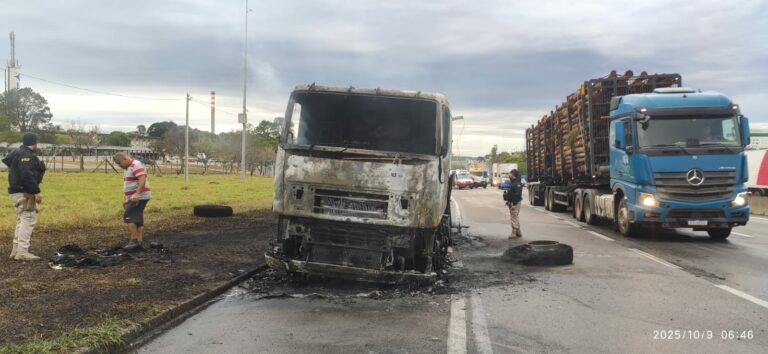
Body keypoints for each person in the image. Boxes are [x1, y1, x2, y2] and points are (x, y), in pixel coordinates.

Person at [3, 133, 46, 260]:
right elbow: (27, 175)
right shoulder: (26, 155)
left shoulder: (17, 153)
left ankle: (16, 250)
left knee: (22, 218)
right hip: (23, 191)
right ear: (34, 143)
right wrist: (36, 191)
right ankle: (22, 251)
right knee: (29, 217)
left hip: (16, 190)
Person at [113, 152, 152, 251]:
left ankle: (134, 240)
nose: (119, 166)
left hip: (139, 197)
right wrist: (127, 200)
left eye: (120, 163)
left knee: (128, 217)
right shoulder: (128, 168)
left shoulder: (136, 164)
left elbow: (142, 179)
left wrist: (137, 194)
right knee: (137, 219)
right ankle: (139, 241)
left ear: (125, 159)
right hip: (133, 197)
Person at [503, 169, 523, 238]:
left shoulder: (517, 183)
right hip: (511, 202)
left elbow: (518, 195)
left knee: (514, 217)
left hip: (515, 202)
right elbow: (511, 193)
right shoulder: (513, 182)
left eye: (510, 174)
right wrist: (508, 200)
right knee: (515, 216)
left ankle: (514, 232)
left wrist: (514, 204)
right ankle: (518, 232)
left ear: (514, 175)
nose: (509, 175)